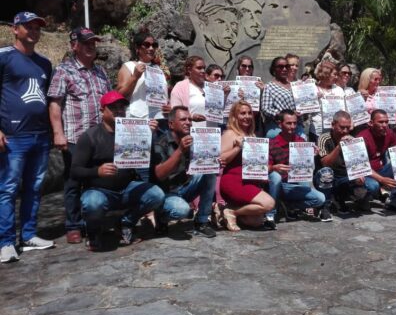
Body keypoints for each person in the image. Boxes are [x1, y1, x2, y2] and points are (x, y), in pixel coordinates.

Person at [71, 91, 165, 250]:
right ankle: (93, 232)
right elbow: (74, 171)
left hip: (127, 188)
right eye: (113, 107)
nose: (119, 110)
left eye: (122, 107)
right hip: (99, 190)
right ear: (102, 110)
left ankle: (125, 222)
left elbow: (148, 160)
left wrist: (147, 135)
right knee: (92, 203)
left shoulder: (132, 131)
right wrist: (97, 172)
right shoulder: (89, 136)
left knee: (157, 194)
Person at [0, 11, 55, 263]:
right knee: (8, 189)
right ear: (15, 28)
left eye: (37, 27)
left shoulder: (44, 63)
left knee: (34, 187)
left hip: (40, 135)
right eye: (28, 27)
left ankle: (29, 234)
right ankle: (6, 241)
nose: (34, 31)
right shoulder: (4, 57)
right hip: (13, 135)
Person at [48, 27, 111, 244]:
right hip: (76, 137)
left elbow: (108, 105)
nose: (91, 46)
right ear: (74, 45)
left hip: (99, 139)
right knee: (73, 182)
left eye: (93, 42)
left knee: (96, 180)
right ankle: (73, 225)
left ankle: (92, 223)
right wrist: (58, 133)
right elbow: (55, 104)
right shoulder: (63, 71)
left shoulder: (101, 71)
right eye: (86, 42)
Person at [152, 106, 217, 238]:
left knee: (210, 171)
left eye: (189, 119)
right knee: (181, 210)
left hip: (185, 187)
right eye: (183, 119)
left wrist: (214, 162)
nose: (188, 122)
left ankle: (201, 222)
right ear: (171, 124)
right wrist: (180, 150)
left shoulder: (194, 140)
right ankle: (161, 217)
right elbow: (159, 175)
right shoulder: (161, 143)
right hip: (167, 193)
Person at [219, 101, 275, 231]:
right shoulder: (230, 134)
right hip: (234, 182)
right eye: (242, 113)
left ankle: (223, 209)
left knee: (256, 221)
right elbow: (221, 159)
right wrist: (238, 147)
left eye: (249, 113)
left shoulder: (252, 135)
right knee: (268, 204)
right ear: (234, 117)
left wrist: (262, 173)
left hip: (249, 181)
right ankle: (232, 212)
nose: (247, 116)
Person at [267, 110, 325, 228]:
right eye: (289, 123)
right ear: (280, 124)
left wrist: (311, 155)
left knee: (320, 199)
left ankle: (289, 206)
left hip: (295, 184)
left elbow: (305, 167)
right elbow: (263, 169)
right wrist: (273, 167)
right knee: (275, 176)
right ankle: (270, 214)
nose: (292, 126)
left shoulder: (301, 141)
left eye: (294, 123)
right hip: (278, 185)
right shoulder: (272, 144)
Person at [315, 111, 371, 221]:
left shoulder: (352, 138)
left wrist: (359, 174)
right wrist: (339, 147)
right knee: (327, 173)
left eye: (347, 127)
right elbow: (325, 163)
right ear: (333, 125)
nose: (345, 131)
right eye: (342, 127)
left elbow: (359, 162)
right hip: (326, 177)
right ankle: (325, 206)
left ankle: (341, 198)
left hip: (344, 176)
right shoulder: (324, 138)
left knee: (372, 185)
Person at [356, 110, 396, 214]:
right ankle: (362, 198)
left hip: (380, 170)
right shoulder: (362, 137)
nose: (385, 125)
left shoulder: (389, 133)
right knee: (374, 185)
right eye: (381, 122)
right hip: (364, 173)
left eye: (386, 122)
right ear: (371, 123)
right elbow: (360, 166)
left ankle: (394, 199)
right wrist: (382, 180)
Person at [116, 31, 170, 121]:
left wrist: (168, 106)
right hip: (138, 120)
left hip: (160, 119)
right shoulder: (129, 66)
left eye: (154, 45)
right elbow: (119, 95)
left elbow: (163, 96)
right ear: (137, 48)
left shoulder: (159, 70)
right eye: (147, 45)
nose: (151, 48)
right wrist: (135, 77)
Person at [261, 56, 303, 139]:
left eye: (286, 66)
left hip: (295, 125)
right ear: (274, 69)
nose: (284, 69)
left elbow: (303, 105)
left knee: (303, 138)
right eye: (280, 67)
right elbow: (265, 109)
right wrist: (283, 115)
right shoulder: (269, 87)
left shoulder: (295, 85)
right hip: (277, 126)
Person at [310, 61, 344, 141]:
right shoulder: (312, 89)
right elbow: (305, 112)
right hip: (317, 132)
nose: (336, 77)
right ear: (326, 74)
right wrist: (313, 99)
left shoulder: (338, 90)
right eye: (334, 74)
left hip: (335, 132)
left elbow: (344, 110)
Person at [170, 56, 208, 126]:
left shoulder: (210, 87)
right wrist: (191, 116)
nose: (203, 71)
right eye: (199, 68)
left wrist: (224, 95)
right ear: (189, 70)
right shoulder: (180, 87)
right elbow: (175, 111)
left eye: (204, 68)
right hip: (192, 132)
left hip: (213, 132)